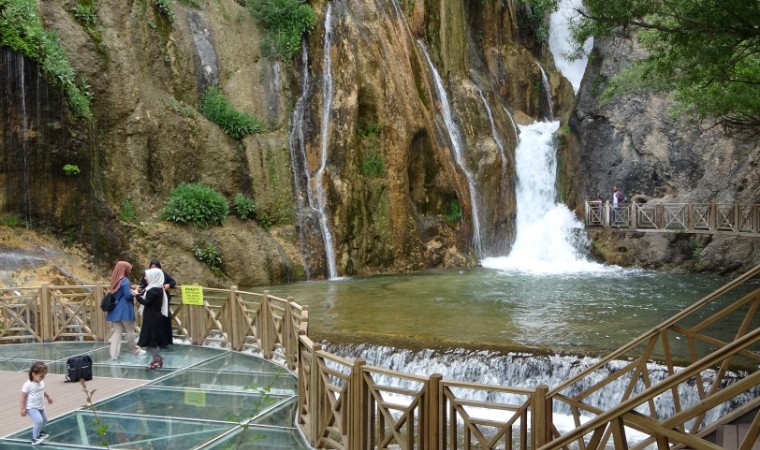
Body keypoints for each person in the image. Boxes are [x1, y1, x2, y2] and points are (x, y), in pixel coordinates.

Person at [132, 268, 170, 369]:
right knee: (151, 337)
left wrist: (137, 296)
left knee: (153, 338)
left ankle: (157, 359)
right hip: (152, 316)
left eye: (147, 276)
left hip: (153, 317)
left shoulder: (154, 290)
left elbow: (147, 302)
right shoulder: (154, 288)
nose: (145, 278)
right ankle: (155, 359)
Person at [107, 261, 145, 359]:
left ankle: (114, 355)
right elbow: (128, 295)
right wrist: (136, 292)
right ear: (124, 269)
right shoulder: (124, 281)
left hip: (114, 311)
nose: (130, 271)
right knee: (130, 331)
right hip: (124, 310)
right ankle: (134, 350)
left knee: (117, 332)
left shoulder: (114, 281)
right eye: (129, 269)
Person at [138, 259, 176, 346]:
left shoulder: (162, 274)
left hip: (160, 299)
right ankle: (149, 342)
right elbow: (142, 285)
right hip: (150, 299)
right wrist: (139, 291)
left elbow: (173, 281)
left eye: (155, 268)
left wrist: (168, 285)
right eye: (151, 268)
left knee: (162, 319)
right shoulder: (147, 275)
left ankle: (162, 341)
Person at [20, 361, 53, 445]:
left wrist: (48, 397)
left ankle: (40, 432)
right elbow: (23, 397)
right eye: (41, 376)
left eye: (44, 376)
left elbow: (43, 391)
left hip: (40, 406)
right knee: (38, 421)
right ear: (33, 374)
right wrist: (22, 408)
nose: (43, 378)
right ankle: (34, 438)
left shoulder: (41, 382)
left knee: (45, 420)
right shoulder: (28, 385)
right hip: (31, 407)